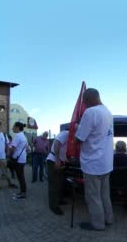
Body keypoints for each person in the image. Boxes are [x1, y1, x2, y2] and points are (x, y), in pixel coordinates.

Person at [75, 88, 114, 231]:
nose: (84, 104)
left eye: (84, 101)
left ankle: (97, 224)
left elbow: (79, 138)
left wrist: (77, 127)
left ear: (90, 98)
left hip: (92, 163)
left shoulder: (90, 112)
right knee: (104, 194)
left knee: (93, 196)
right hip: (106, 162)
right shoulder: (108, 112)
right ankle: (108, 219)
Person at [47, 128, 69, 215]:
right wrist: (57, 160)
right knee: (54, 184)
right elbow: (56, 144)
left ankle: (59, 200)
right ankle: (53, 206)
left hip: (60, 162)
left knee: (60, 183)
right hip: (53, 161)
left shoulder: (70, 136)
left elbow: (63, 151)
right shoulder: (65, 133)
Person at [9, 122, 28, 200]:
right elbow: (27, 148)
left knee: (20, 177)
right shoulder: (23, 136)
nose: (12, 128)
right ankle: (22, 192)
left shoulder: (17, 136)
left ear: (17, 127)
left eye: (13, 126)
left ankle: (23, 193)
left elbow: (13, 148)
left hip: (18, 159)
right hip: (22, 159)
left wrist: (8, 154)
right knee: (21, 176)